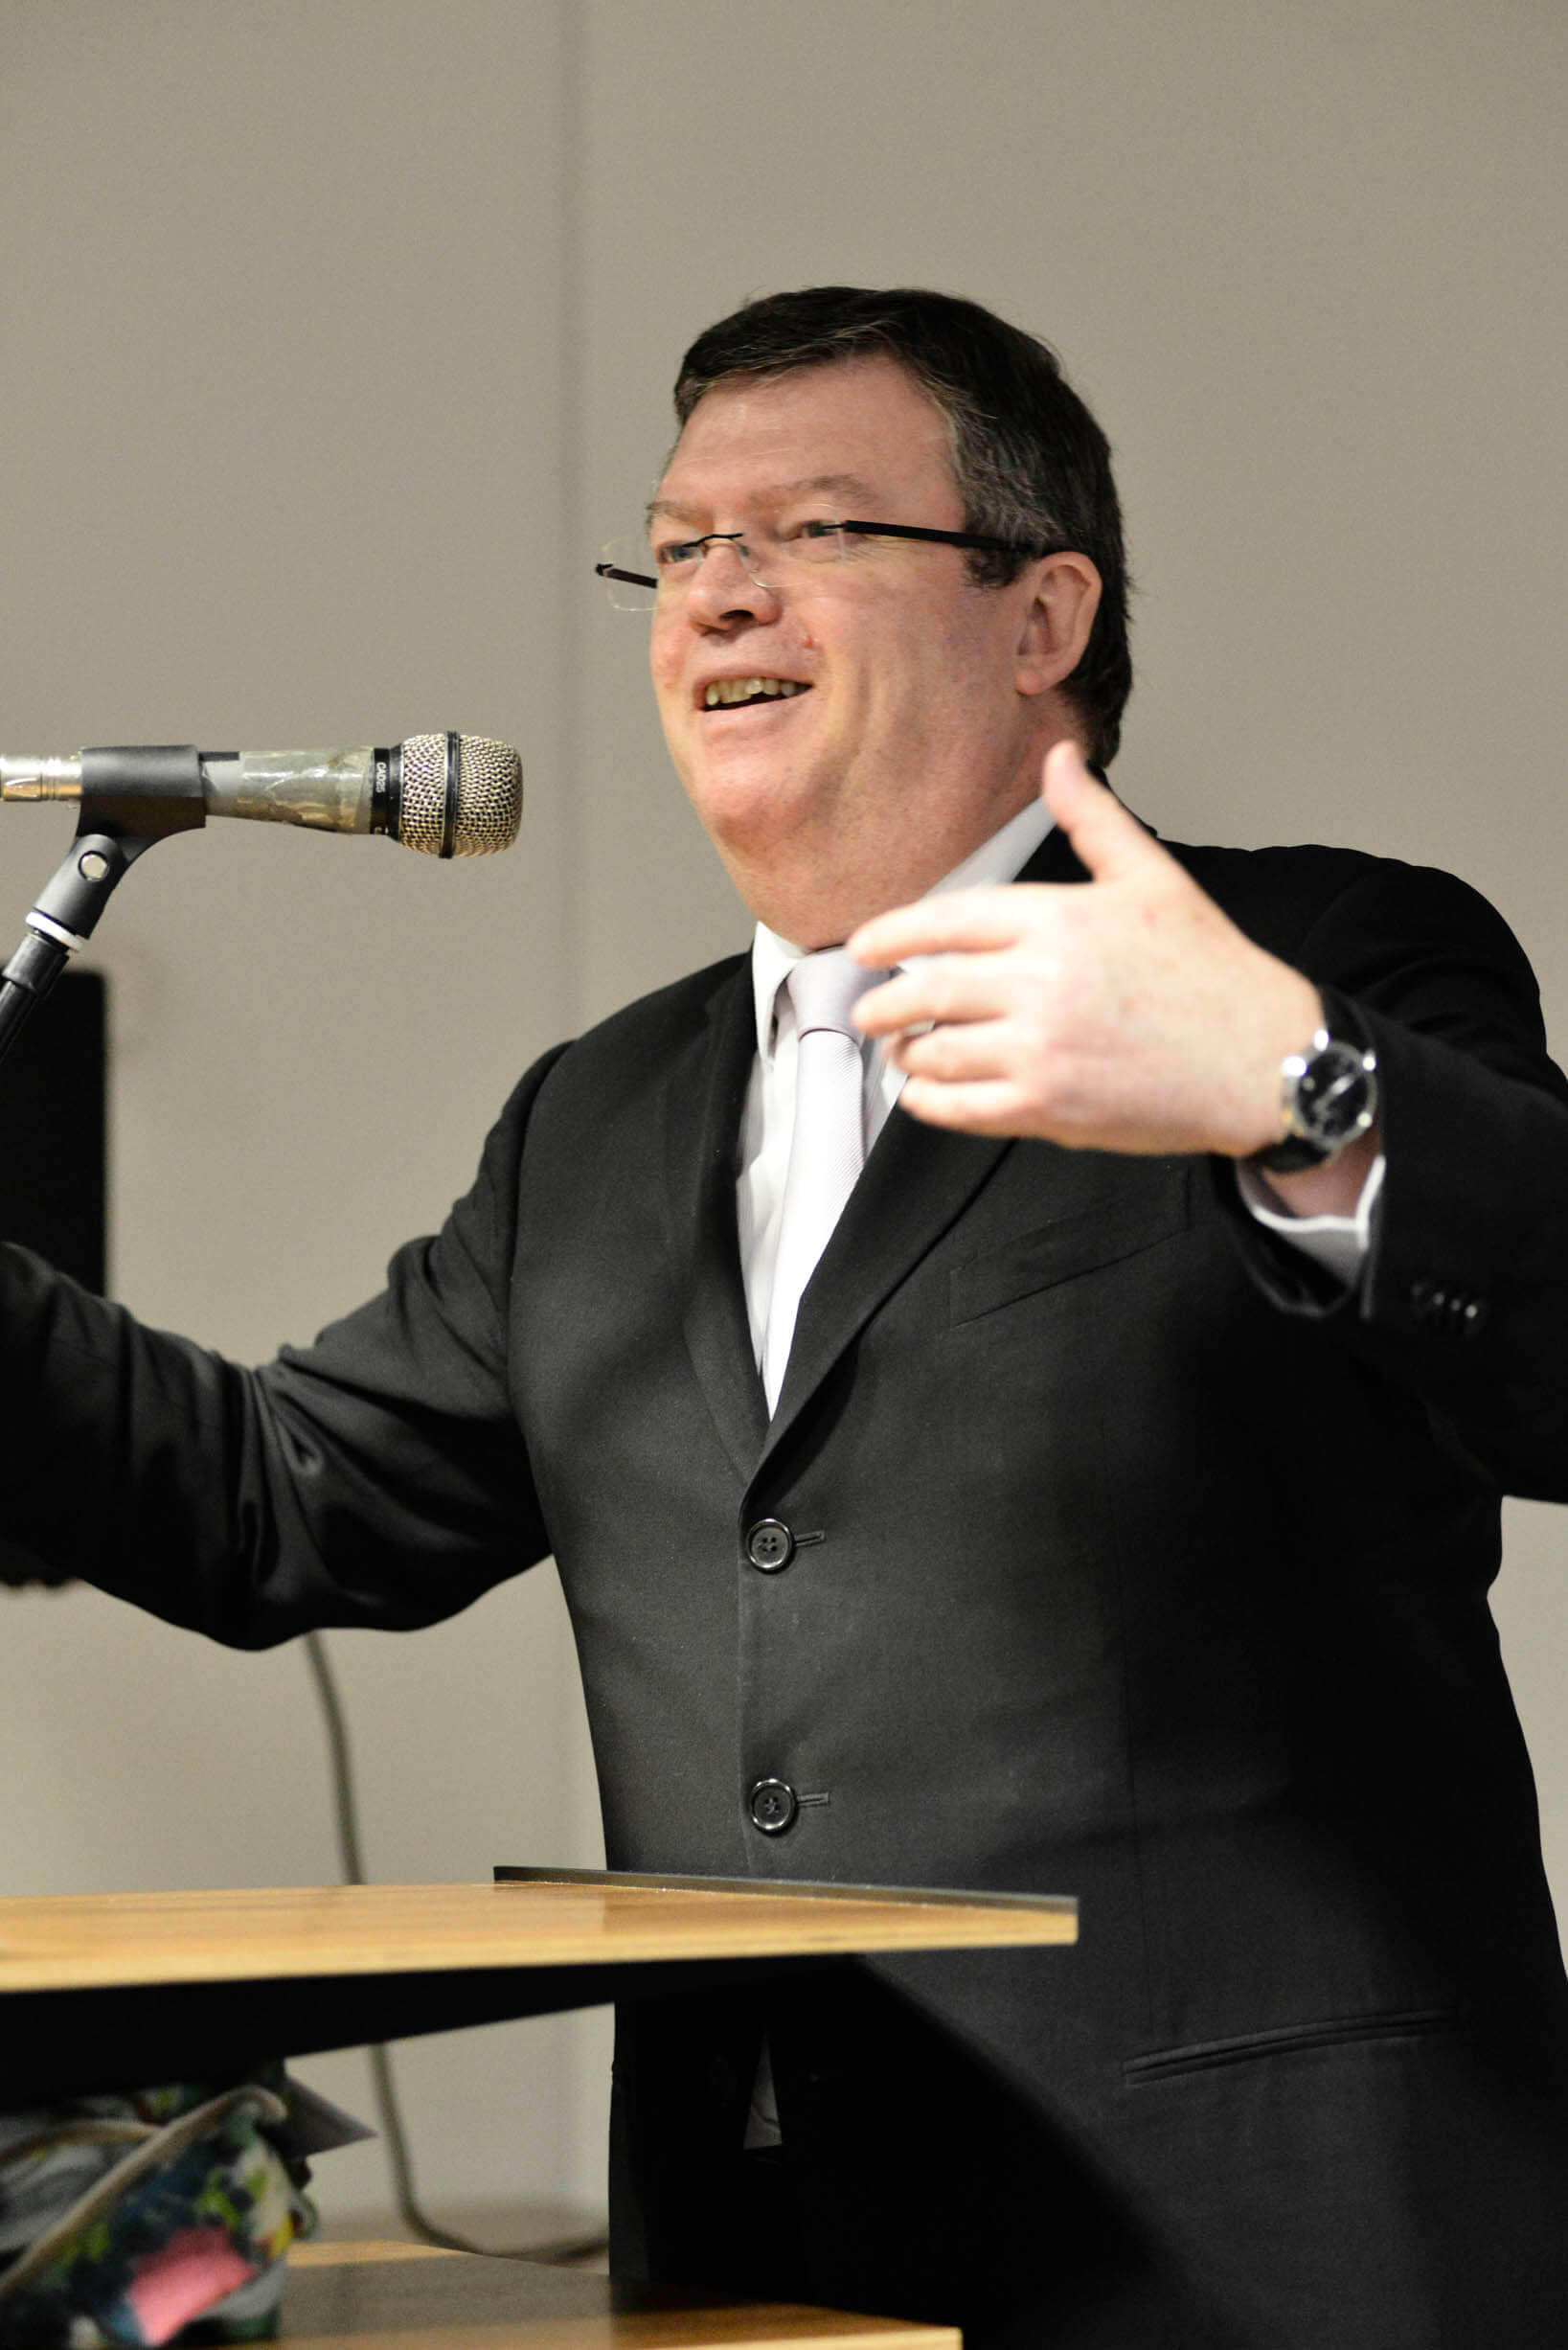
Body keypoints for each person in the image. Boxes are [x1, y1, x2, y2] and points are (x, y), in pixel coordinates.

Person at [5, 285, 1568, 2347]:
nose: (718, 593)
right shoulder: (596, 1120)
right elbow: (275, 1497)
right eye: (678, 548)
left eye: (814, 529)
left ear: (1043, 614)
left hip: (1264, 2251)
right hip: (761, 2270)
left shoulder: (1319, 959)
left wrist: (1294, 1081)